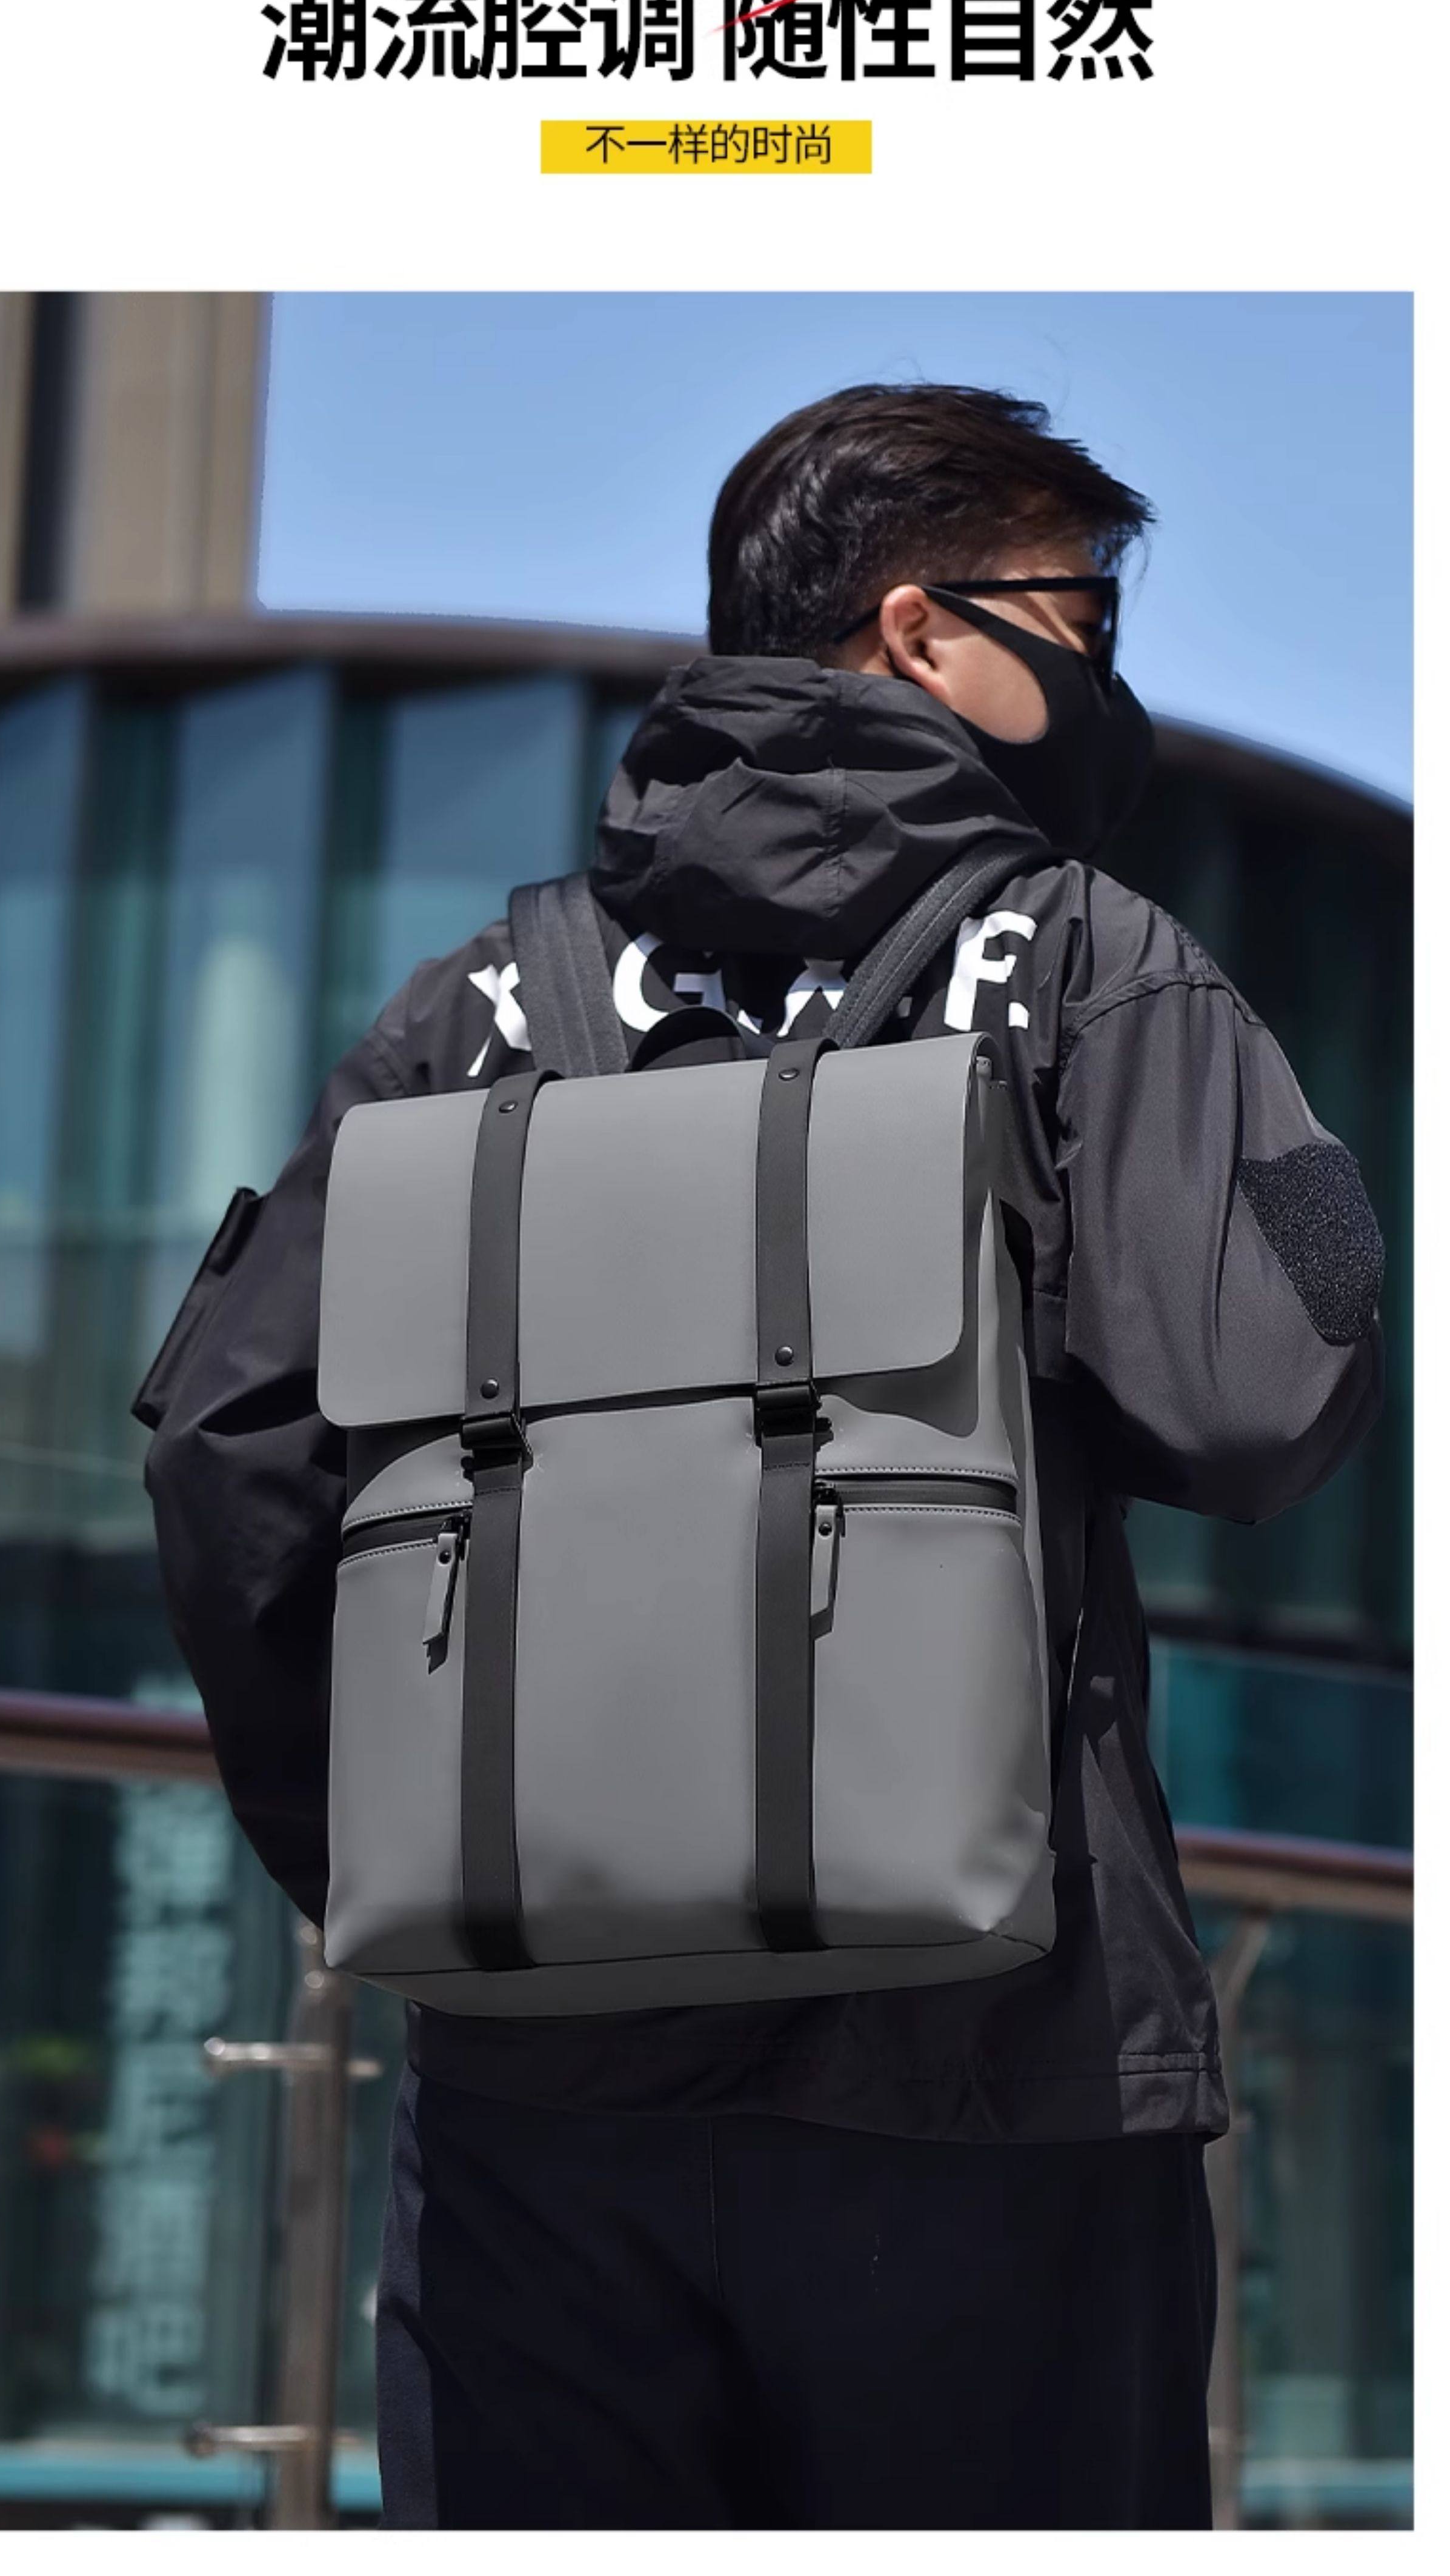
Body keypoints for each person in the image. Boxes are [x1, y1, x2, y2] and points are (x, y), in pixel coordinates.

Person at [139, 384, 1385, 2531]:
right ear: (920, 631)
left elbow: (228, 1450)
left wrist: (400, 1869)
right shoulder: (1086, 963)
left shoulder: (481, 1006)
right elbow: (1258, 1405)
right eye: (1081, 616)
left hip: (543, 2084)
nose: (1106, 670)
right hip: (996, 2062)